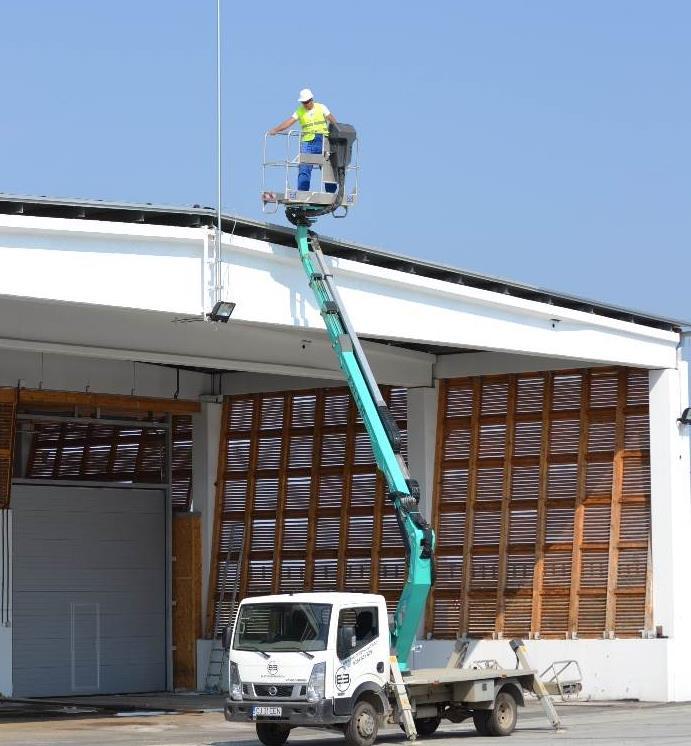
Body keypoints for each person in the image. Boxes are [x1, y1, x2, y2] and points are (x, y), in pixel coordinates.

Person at [268, 88, 337, 192]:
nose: (305, 104)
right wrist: (276, 130)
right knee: (304, 167)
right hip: (307, 142)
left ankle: (331, 192)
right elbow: (289, 122)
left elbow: (333, 120)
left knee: (328, 168)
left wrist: (338, 134)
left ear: (311, 99)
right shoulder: (299, 111)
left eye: (306, 102)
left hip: (323, 140)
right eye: (303, 102)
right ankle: (303, 192)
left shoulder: (321, 107)